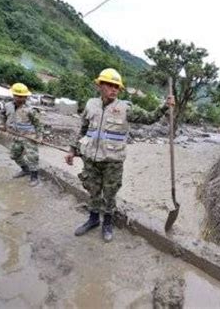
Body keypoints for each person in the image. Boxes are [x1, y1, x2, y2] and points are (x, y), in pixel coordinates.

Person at [65, 68, 175, 242]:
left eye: (117, 86)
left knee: (109, 194)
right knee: (93, 191)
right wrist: (72, 150)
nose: (114, 89)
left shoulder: (126, 108)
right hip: (91, 159)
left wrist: (164, 107)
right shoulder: (90, 104)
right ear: (100, 85)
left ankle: (107, 223)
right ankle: (93, 220)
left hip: (112, 162)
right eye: (110, 85)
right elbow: (83, 130)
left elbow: (149, 118)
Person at [0, 83, 41, 187]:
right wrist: (2, 124)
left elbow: (38, 124)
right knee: (14, 155)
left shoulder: (31, 109)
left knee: (32, 157)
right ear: (13, 95)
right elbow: (3, 115)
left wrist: (39, 136)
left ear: (26, 97)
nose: (19, 98)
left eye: (22, 96)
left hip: (29, 137)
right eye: (17, 96)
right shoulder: (8, 106)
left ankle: (34, 177)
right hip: (15, 135)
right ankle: (25, 170)